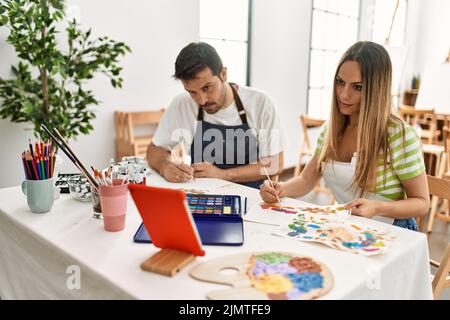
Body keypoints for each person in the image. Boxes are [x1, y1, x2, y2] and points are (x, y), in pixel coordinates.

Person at [260, 41, 430, 230]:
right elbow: (307, 179)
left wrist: (378, 208)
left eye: (357, 87)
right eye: (340, 83)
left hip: (394, 229)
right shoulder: (330, 130)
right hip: (351, 226)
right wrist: (280, 189)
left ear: (376, 90)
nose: (343, 95)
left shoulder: (399, 135)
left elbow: (422, 203)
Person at [147, 42, 284, 189]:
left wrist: (223, 174)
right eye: (192, 92)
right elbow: (154, 150)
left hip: (252, 197)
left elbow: (275, 163)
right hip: (202, 195)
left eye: (207, 87)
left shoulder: (260, 103)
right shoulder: (182, 104)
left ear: (223, 74)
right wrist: (165, 166)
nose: (202, 100)